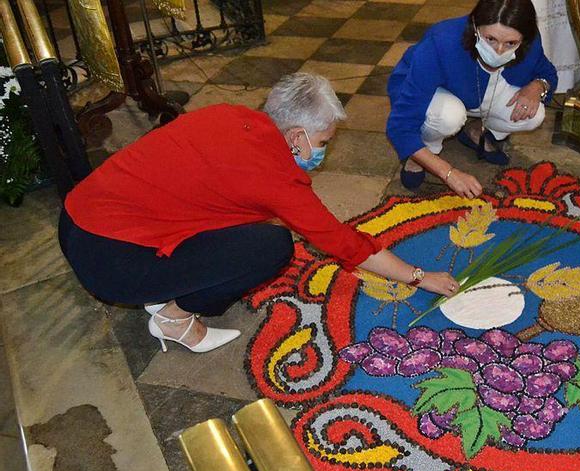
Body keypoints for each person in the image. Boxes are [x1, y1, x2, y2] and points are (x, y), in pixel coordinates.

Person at [58, 73, 459, 354]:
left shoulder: (227, 115)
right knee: (270, 246)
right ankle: (173, 318)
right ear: (296, 135)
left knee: (235, 222)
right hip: (110, 263)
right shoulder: (275, 178)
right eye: (322, 141)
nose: (323, 151)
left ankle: (163, 280)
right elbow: (345, 244)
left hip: (76, 216)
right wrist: (418, 277)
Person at [386, 0, 558, 198]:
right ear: (475, 26)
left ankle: (475, 129)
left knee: (534, 114)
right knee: (448, 116)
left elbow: (547, 74)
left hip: (481, 91)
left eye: (511, 43)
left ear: (524, 39)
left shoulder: (531, 40)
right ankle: (423, 153)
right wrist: (449, 173)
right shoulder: (442, 41)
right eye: (490, 39)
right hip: (438, 91)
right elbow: (400, 126)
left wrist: (537, 86)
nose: (499, 50)